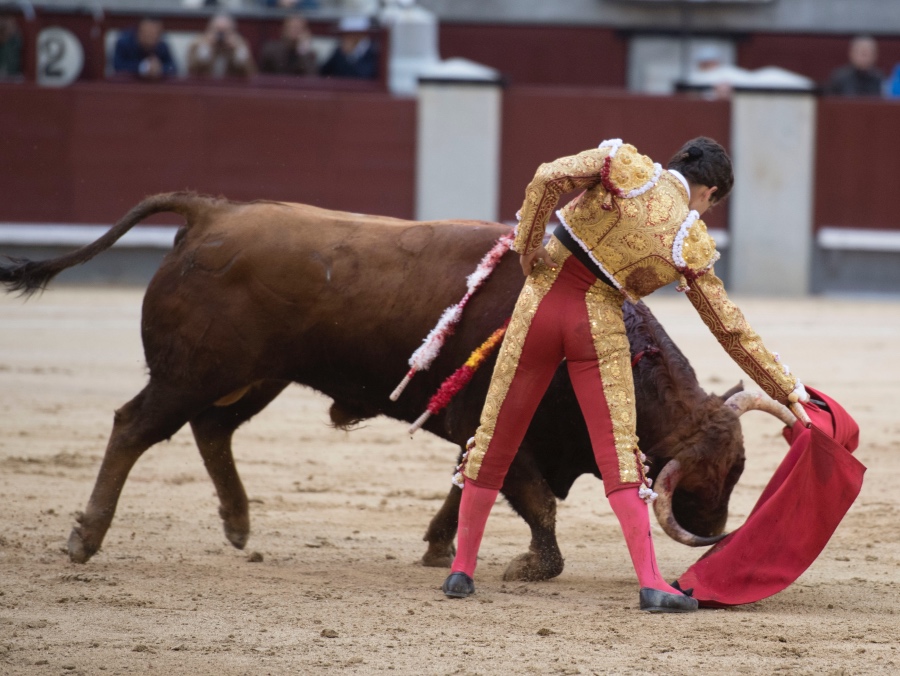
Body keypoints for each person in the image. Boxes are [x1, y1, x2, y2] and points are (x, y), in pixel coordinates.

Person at [441, 137, 810, 613]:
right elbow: (729, 328)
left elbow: (548, 176)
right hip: (595, 326)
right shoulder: (688, 238)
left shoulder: (623, 164)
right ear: (709, 192)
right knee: (618, 453)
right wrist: (787, 388)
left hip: (539, 306)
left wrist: (528, 245)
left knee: (495, 437)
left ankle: (462, 570)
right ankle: (651, 583)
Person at [187, 13, 256, 79]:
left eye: (225, 31)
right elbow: (192, 71)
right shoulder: (198, 43)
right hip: (205, 85)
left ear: (233, 32)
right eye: (217, 30)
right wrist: (206, 47)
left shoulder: (239, 44)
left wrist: (237, 50)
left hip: (230, 85)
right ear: (209, 29)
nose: (221, 36)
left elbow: (250, 74)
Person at [112, 17, 178, 80]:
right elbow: (118, 66)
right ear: (139, 32)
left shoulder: (162, 47)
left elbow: (173, 68)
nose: (152, 37)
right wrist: (142, 67)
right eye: (148, 32)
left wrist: (160, 69)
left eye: (156, 33)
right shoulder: (124, 44)